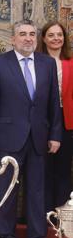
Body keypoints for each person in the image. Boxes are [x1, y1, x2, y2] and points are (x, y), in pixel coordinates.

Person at [0, 20, 61, 238]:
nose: (28, 38)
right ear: (13, 39)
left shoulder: (47, 64)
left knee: (37, 192)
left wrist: (55, 134)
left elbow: (53, 104)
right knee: (8, 191)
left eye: (32, 35)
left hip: (39, 137)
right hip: (7, 138)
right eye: (23, 34)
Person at [39, 21, 73, 211]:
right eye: (51, 35)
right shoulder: (36, 61)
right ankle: (42, 213)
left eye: (59, 35)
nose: (56, 39)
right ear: (43, 38)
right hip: (42, 119)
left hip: (67, 120)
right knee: (42, 169)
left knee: (62, 170)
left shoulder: (71, 63)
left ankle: (62, 214)